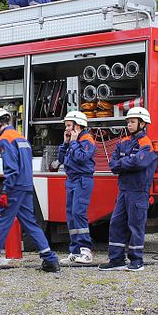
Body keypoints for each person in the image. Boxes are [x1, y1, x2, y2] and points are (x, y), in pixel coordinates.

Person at [0, 108, 60, 275]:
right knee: (31, 224)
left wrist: (5, 192)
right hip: (26, 186)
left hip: (14, 187)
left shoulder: (5, 139)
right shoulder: (21, 138)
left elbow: (11, 169)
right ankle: (50, 259)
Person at [99, 107, 158, 272]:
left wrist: (123, 164)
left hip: (138, 191)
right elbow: (113, 163)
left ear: (142, 123)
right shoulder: (123, 142)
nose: (129, 124)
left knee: (135, 225)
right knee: (116, 223)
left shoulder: (146, 143)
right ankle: (116, 259)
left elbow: (139, 163)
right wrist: (126, 162)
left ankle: (136, 260)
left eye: (132, 121)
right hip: (124, 190)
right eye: (128, 121)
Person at [57, 110, 96, 265]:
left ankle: (86, 251)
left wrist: (73, 142)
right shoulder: (73, 140)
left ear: (77, 126)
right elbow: (61, 159)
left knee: (78, 213)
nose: (66, 129)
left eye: (68, 126)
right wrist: (66, 143)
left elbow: (81, 158)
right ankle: (75, 251)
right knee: (71, 216)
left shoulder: (87, 140)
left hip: (82, 180)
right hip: (72, 180)